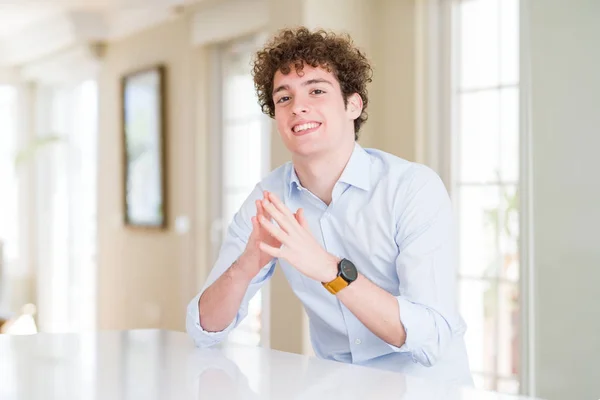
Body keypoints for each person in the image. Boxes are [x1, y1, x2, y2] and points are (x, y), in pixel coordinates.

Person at [186, 27, 473, 386]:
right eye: (283, 98)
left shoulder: (412, 188)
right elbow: (205, 332)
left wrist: (329, 269)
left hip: (426, 387)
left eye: (317, 91)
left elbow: (431, 336)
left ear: (353, 104)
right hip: (339, 385)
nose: (298, 106)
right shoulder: (268, 199)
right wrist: (244, 267)